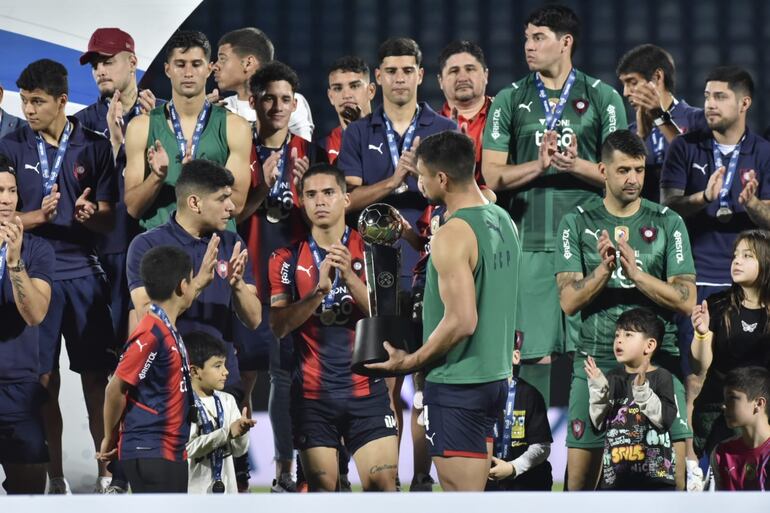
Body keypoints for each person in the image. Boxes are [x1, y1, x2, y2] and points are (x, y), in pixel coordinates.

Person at [482, 4, 627, 406]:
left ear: (566, 42)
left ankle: (595, 450)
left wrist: (576, 165)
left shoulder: (604, 98)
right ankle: (534, 454)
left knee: (595, 349)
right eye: (526, 37)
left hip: (590, 245)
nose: (528, 46)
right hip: (530, 242)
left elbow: (627, 176)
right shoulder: (510, 100)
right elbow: (492, 175)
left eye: (539, 37)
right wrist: (539, 164)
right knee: (534, 353)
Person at [368, 130, 521, 492]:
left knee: (460, 497)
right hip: (494, 379)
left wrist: (411, 362)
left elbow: (463, 320)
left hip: (458, 385)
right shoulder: (502, 219)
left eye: (421, 175)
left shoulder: (453, 234)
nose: (417, 182)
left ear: (441, 178)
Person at [0, 58, 118, 494]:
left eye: (37, 101)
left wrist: (91, 213)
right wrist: (36, 215)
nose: (28, 109)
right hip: (35, 274)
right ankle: (55, 476)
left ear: (63, 101)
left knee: (96, 381)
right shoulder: (12, 147)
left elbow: (111, 219)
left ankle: (107, 473)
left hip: (84, 274)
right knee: (43, 381)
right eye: (25, 101)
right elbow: (5, 219)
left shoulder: (95, 146)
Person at [337, 38, 456, 470]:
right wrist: (394, 180)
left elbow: (455, 194)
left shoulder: (445, 128)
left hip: (430, 265)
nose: (400, 78)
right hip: (375, 272)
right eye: (391, 71)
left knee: (424, 379)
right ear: (378, 79)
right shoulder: (356, 132)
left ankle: (422, 479)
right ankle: (385, 478)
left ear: (420, 76)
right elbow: (346, 202)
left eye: (408, 70)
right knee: (386, 378)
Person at [555, 130, 696, 490]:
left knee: (672, 484)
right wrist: (603, 271)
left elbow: (686, 299)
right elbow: (569, 300)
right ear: (603, 170)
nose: (633, 178)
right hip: (596, 362)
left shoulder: (667, 222)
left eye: (639, 169)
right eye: (623, 170)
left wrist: (636, 274)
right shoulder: (577, 222)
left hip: (657, 364)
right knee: (579, 487)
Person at [268, 164, 399, 492]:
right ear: (301, 202)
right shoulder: (285, 258)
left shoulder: (373, 250)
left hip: (366, 394)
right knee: (323, 494)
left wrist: (350, 279)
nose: (320, 201)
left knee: (383, 486)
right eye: (311, 195)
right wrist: (319, 293)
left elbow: (388, 324)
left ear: (345, 199)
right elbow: (279, 326)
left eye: (328, 193)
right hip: (313, 399)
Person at [236, 60, 315, 493]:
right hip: (245, 278)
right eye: (269, 98)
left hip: (290, 282)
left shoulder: (309, 151)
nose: (278, 106)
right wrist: (263, 186)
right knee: (239, 378)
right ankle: (237, 466)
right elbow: (233, 214)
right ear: (254, 102)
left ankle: (286, 468)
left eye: (286, 99)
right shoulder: (238, 148)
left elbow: (319, 220)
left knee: (285, 380)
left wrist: (304, 196)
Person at [127, 159, 261, 400]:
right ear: (194, 203)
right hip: (168, 381)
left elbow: (254, 319)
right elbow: (147, 316)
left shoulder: (232, 243)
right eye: (222, 199)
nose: (231, 207)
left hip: (222, 384)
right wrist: (197, 285)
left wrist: (238, 285)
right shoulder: (147, 246)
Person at [124, 30, 251, 232]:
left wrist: (199, 180)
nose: (189, 73)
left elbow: (237, 203)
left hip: (215, 245)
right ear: (167, 69)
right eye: (180, 64)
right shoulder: (140, 127)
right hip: (162, 248)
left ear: (209, 68)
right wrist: (157, 176)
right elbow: (133, 208)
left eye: (196, 64)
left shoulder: (236, 127)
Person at [97, 246, 201, 493]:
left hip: (169, 448)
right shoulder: (151, 333)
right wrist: (109, 437)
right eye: (192, 279)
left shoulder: (165, 329)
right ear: (182, 286)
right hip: (151, 449)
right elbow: (115, 389)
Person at [690, 230, 770, 459]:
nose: (737, 261)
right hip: (719, 410)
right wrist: (701, 333)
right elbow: (699, 367)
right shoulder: (718, 305)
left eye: (747, 256)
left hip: (763, 411)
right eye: (735, 255)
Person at [0, 154, 54, 494]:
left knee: (31, 492)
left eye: (11, 190)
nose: (5, 199)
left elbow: (35, 314)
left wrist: (15, 263)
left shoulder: (37, 251)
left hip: (18, 388)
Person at [586, 308, 678, 490]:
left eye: (628, 335)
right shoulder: (612, 377)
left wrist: (643, 390)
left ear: (650, 345)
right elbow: (598, 424)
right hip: (616, 479)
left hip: (654, 479)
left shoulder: (662, 376)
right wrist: (598, 389)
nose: (619, 340)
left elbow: (664, 419)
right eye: (617, 335)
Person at [616, 43, 706, 202]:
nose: (626, 92)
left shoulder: (698, 120)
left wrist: (660, 118)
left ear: (657, 77)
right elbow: (618, 187)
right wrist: (640, 138)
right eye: (624, 84)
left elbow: (698, 166)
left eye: (632, 82)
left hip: (690, 223)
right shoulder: (631, 134)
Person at [211, 27, 314, 140]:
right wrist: (206, 121)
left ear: (248, 63)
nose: (214, 66)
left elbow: (302, 150)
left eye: (222, 59)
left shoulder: (287, 101)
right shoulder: (221, 107)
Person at [186, 331, 255, 494]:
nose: (226, 371)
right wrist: (227, 433)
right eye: (217, 366)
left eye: (224, 364)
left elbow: (239, 450)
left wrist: (242, 433)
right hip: (193, 495)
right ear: (195, 371)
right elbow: (187, 449)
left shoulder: (227, 400)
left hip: (227, 493)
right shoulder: (184, 402)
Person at [487, 336, 553, 491]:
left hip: (527, 481)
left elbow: (542, 446)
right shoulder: (477, 397)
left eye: (499, 349)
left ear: (515, 356)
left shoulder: (530, 395)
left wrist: (512, 468)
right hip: (488, 481)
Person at [711, 366, 770, 491]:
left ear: (759, 403)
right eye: (724, 399)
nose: (723, 406)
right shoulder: (721, 453)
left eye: (732, 398)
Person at [322, 56, 376, 164]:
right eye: (338, 88)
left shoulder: (390, 137)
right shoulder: (322, 148)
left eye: (354, 86)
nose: (346, 95)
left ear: (371, 91)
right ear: (331, 96)